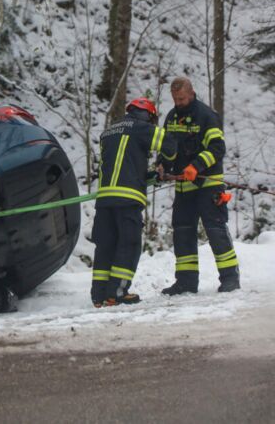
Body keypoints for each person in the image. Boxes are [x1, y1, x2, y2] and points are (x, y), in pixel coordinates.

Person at [158, 77, 240, 295]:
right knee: (182, 233)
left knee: (215, 230)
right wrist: (162, 165)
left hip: (208, 184)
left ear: (192, 93)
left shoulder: (206, 115)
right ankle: (186, 282)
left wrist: (197, 165)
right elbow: (167, 147)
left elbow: (217, 148)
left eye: (182, 98)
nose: (179, 102)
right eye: (175, 99)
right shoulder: (172, 116)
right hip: (184, 188)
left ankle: (230, 278)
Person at [91, 97, 176, 307]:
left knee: (105, 246)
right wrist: (165, 165)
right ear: (149, 115)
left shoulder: (108, 132)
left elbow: (123, 164)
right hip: (127, 199)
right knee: (128, 245)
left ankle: (99, 295)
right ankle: (117, 292)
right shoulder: (141, 128)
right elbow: (169, 144)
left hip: (104, 199)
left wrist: (147, 175)